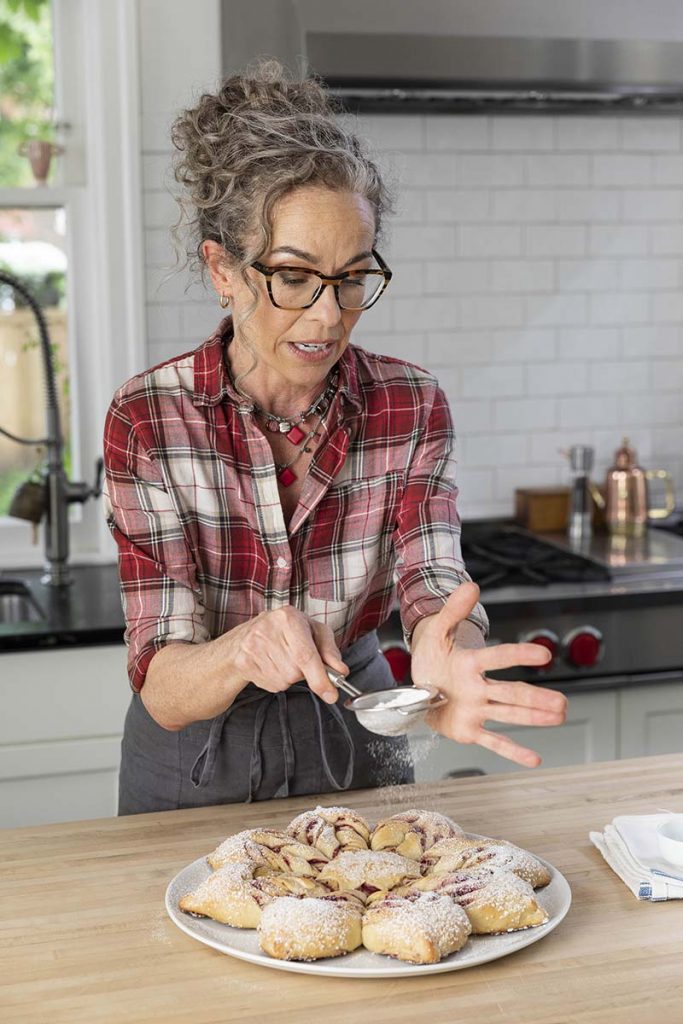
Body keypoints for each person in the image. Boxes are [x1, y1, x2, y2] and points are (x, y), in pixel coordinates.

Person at [103, 59, 566, 815]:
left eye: (352, 278)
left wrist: (451, 650)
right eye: (293, 276)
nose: (327, 316)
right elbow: (164, 685)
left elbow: (432, 577)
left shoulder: (409, 404)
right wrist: (244, 648)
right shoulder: (148, 418)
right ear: (223, 269)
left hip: (358, 735)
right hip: (192, 765)